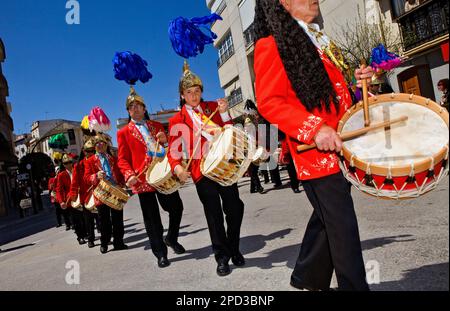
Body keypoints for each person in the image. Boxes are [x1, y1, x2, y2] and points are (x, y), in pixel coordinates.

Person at [254, 0, 374, 291]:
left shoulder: (316, 38)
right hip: (315, 154)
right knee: (343, 228)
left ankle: (307, 278)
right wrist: (315, 128)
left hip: (340, 146)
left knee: (328, 220)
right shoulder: (271, 44)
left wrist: (358, 85)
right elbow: (269, 103)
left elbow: (332, 93)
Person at [167, 62, 245, 277]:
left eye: (197, 91)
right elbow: (173, 151)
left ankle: (234, 247)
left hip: (223, 166)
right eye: (189, 92)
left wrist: (226, 114)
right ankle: (222, 257)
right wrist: (177, 168)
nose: (194, 95)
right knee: (214, 215)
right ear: (182, 95)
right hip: (202, 171)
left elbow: (229, 131)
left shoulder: (213, 107)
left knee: (235, 207)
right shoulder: (177, 119)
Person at [117, 87, 185, 268]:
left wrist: (165, 140)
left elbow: (168, 148)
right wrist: (129, 175)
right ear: (128, 111)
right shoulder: (123, 133)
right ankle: (160, 253)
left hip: (163, 174)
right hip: (142, 180)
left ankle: (171, 237)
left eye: (139, 105)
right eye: (132, 106)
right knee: (152, 218)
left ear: (144, 108)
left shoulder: (155, 126)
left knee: (176, 207)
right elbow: (122, 159)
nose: (136, 108)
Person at [84, 133, 127, 254]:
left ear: (106, 144)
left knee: (118, 219)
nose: (100, 145)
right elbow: (86, 178)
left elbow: (119, 173)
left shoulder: (112, 158)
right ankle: (104, 243)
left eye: (102, 143)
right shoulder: (90, 161)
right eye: (97, 144)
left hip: (115, 192)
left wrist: (123, 182)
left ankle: (119, 242)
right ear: (94, 147)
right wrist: (95, 176)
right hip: (101, 193)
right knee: (104, 221)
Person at [69, 140, 97, 248]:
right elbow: (74, 182)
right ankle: (91, 239)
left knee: (100, 218)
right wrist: (73, 195)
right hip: (85, 196)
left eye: (92, 151)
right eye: (88, 151)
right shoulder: (78, 166)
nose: (90, 153)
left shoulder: (97, 160)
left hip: (99, 193)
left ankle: (105, 238)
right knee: (88, 220)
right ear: (84, 152)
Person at [56, 157, 73, 231]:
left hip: (81, 197)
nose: (68, 164)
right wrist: (61, 201)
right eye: (66, 163)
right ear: (63, 165)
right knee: (74, 219)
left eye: (69, 162)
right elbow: (59, 190)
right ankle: (80, 237)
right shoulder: (61, 175)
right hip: (70, 200)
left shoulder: (77, 171)